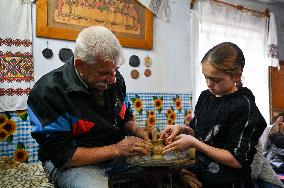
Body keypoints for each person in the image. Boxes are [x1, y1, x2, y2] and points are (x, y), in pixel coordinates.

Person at [27, 26, 152, 188]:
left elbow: (125, 116)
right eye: (104, 73)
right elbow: (63, 157)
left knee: (165, 167)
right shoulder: (48, 92)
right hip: (75, 164)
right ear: (80, 64)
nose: (113, 79)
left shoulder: (115, 80)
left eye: (115, 70)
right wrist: (117, 149)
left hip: (114, 157)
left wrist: (136, 129)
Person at [160, 42, 267, 188]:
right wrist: (182, 130)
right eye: (206, 77)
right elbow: (198, 132)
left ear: (236, 75)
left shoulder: (244, 106)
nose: (209, 84)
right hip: (204, 178)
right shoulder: (205, 97)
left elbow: (237, 160)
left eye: (216, 80)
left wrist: (194, 143)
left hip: (231, 183)